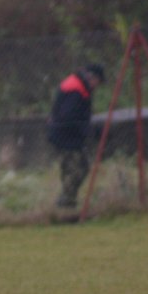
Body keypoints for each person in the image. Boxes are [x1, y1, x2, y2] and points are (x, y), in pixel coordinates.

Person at [47, 63, 105, 209]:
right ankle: (65, 202)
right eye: (98, 81)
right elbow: (70, 117)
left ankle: (67, 201)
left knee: (78, 168)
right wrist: (88, 131)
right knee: (76, 169)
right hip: (65, 137)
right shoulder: (76, 89)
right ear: (92, 77)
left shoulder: (80, 85)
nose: (97, 86)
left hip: (68, 136)